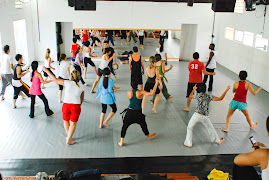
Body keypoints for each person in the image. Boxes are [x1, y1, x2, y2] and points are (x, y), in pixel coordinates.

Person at [43, 67, 84, 145]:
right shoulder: (81, 86)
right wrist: (77, 106)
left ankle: (69, 136)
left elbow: (55, 79)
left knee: (65, 121)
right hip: (76, 106)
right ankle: (69, 138)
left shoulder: (67, 83)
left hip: (66, 105)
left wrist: (46, 71)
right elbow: (81, 99)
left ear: (71, 76)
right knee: (73, 124)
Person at [184, 83, 230, 148]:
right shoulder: (209, 96)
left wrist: (193, 89)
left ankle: (188, 143)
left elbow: (190, 96)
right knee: (210, 128)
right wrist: (226, 90)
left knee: (189, 127)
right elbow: (220, 98)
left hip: (197, 115)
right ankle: (217, 140)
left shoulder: (198, 95)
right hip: (205, 116)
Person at [118, 79, 159, 147]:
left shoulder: (128, 92)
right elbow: (152, 93)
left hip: (129, 112)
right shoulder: (141, 92)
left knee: (124, 127)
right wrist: (156, 83)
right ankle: (149, 136)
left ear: (131, 86)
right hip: (138, 113)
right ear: (137, 85)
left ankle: (121, 141)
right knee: (143, 125)